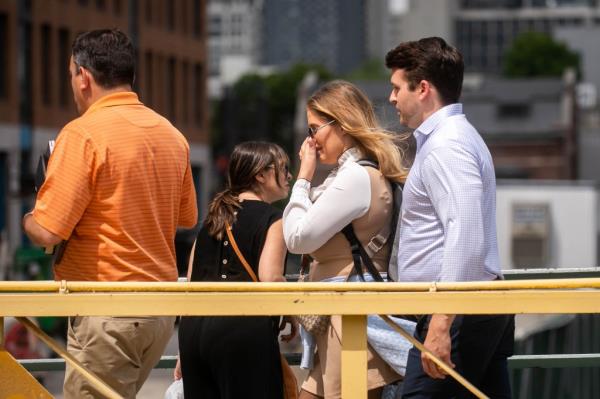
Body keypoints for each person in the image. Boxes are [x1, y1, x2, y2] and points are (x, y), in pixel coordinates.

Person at [22, 29, 198, 398]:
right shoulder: (171, 134)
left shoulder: (83, 134)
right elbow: (187, 217)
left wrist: (31, 214)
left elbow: (47, 231)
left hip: (107, 310)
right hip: (160, 311)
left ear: (84, 77)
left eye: (71, 74)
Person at [385, 37, 515, 398]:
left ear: (423, 88)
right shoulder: (451, 139)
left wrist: (442, 321)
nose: (392, 98)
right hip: (468, 309)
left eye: (397, 88)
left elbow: (466, 234)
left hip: (455, 313)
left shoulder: (448, 145)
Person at [283, 80, 409, 399]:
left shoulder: (355, 177)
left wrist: (303, 176)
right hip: (342, 316)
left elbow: (298, 237)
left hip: (350, 319)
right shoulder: (359, 173)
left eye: (314, 129)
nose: (310, 141)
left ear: (339, 123)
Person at [176, 141, 297, 399]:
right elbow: (270, 278)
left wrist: (181, 351)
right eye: (284, 168)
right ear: (261, 175)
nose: (289, 175)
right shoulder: (273, 219)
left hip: (193, 334)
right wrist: (293, 311)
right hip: (242, 333)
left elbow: (190, 283)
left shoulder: (212, 219)